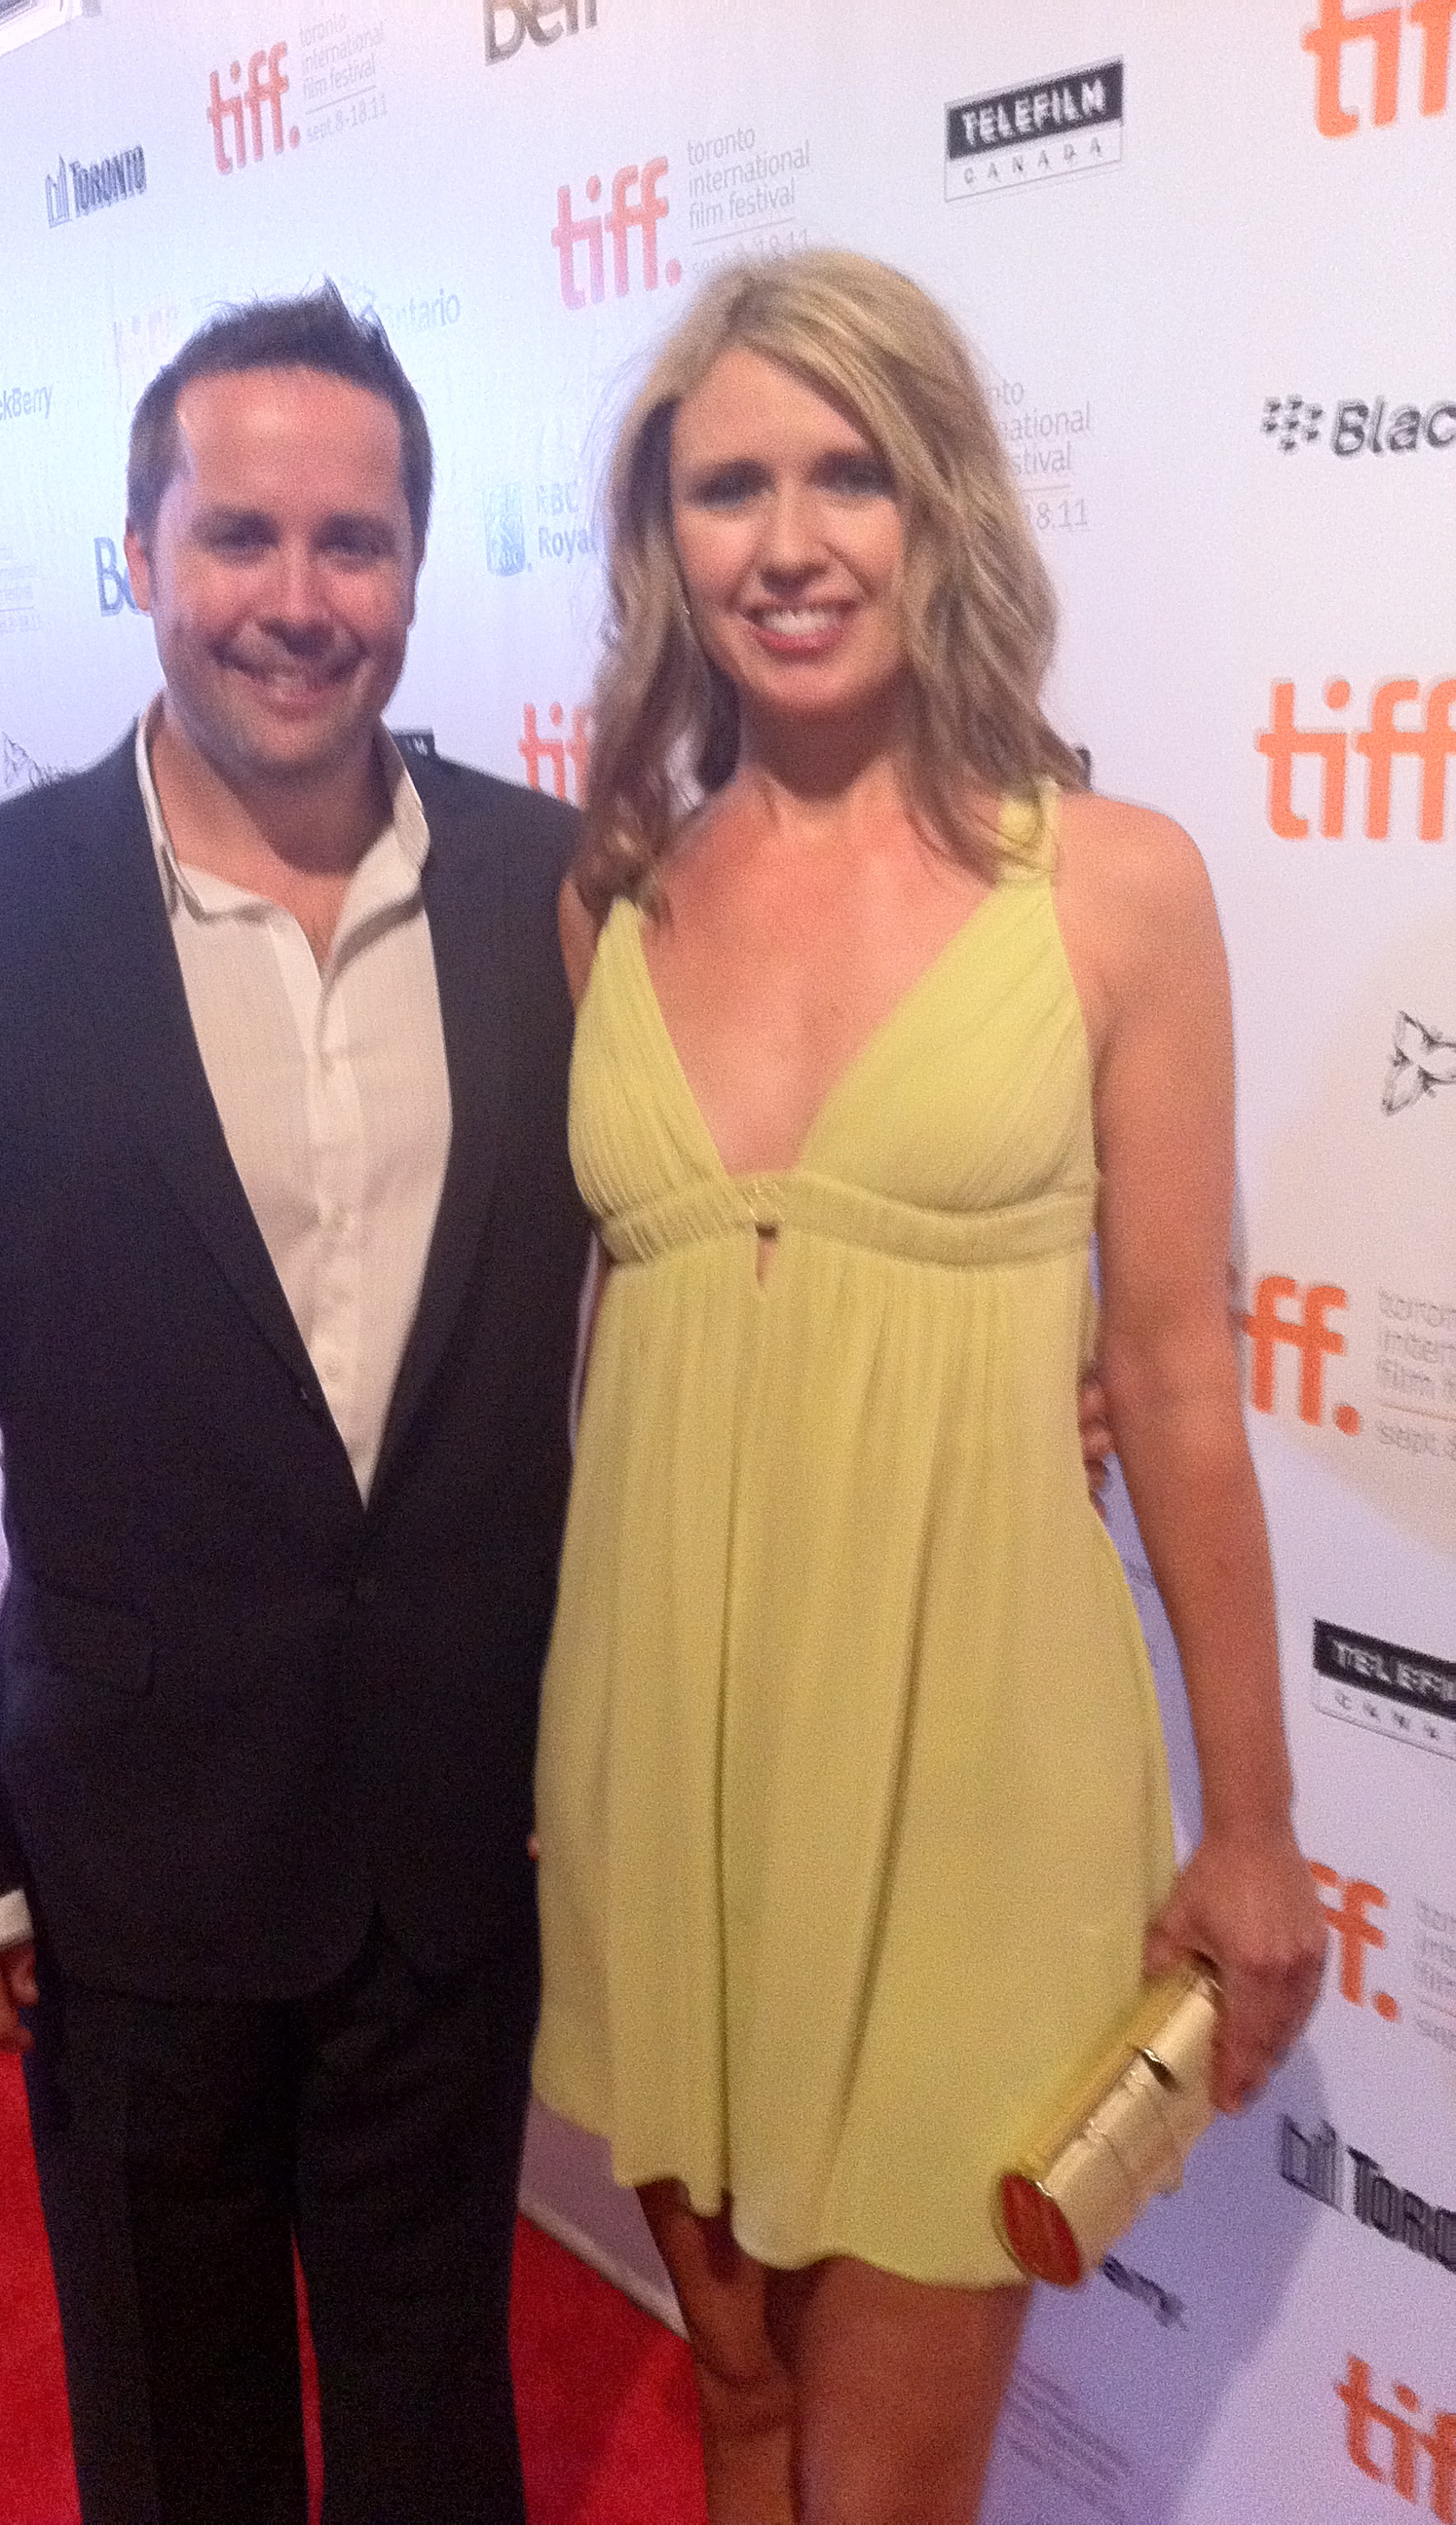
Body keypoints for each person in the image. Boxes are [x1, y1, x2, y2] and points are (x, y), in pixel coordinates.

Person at [0, 287, 589, 2525]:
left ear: (418, 567)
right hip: (120, 1851)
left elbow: (726, 1245)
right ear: (136, 550)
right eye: (238, 535)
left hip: (455, 1828)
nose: (296, 603)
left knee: (438, 2411)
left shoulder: (560, 893)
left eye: (354, 542)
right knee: (174, 2419)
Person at [531, 250, 1326, 2525]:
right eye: (725, 487)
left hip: (976, 1766)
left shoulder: (1113, 890)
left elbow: (1174, 1382)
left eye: (844, 473)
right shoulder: (613, 901)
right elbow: (625, 1344)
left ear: (940, 505)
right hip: (661, 1752)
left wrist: (1248, 1828)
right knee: (742, 2401)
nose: (785, 541)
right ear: (660, 545)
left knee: (884, 2478)